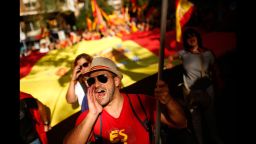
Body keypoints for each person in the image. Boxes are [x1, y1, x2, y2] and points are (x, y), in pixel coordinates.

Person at [63, 57, 187, 144]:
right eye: (91, 81)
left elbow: (181, 123)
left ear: (116, 81)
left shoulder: (142, 102)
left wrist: (169, 101)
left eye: (102, 78)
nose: (96, 84)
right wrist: (92, 115)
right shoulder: (89, 117)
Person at [166, 28, 224, 144]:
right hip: (190, 92)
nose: (191, 39)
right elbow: (171, 56)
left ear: (198, 38)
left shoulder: (208, 53)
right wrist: (170, 62)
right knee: (195, 119)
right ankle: (199, 141)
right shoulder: (183, 54)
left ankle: (214, 137)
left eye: (194, 36)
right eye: (188, 37)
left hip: (207, 89)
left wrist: (220, 82)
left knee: (210, 116)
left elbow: (216, 69)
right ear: (186, 41)